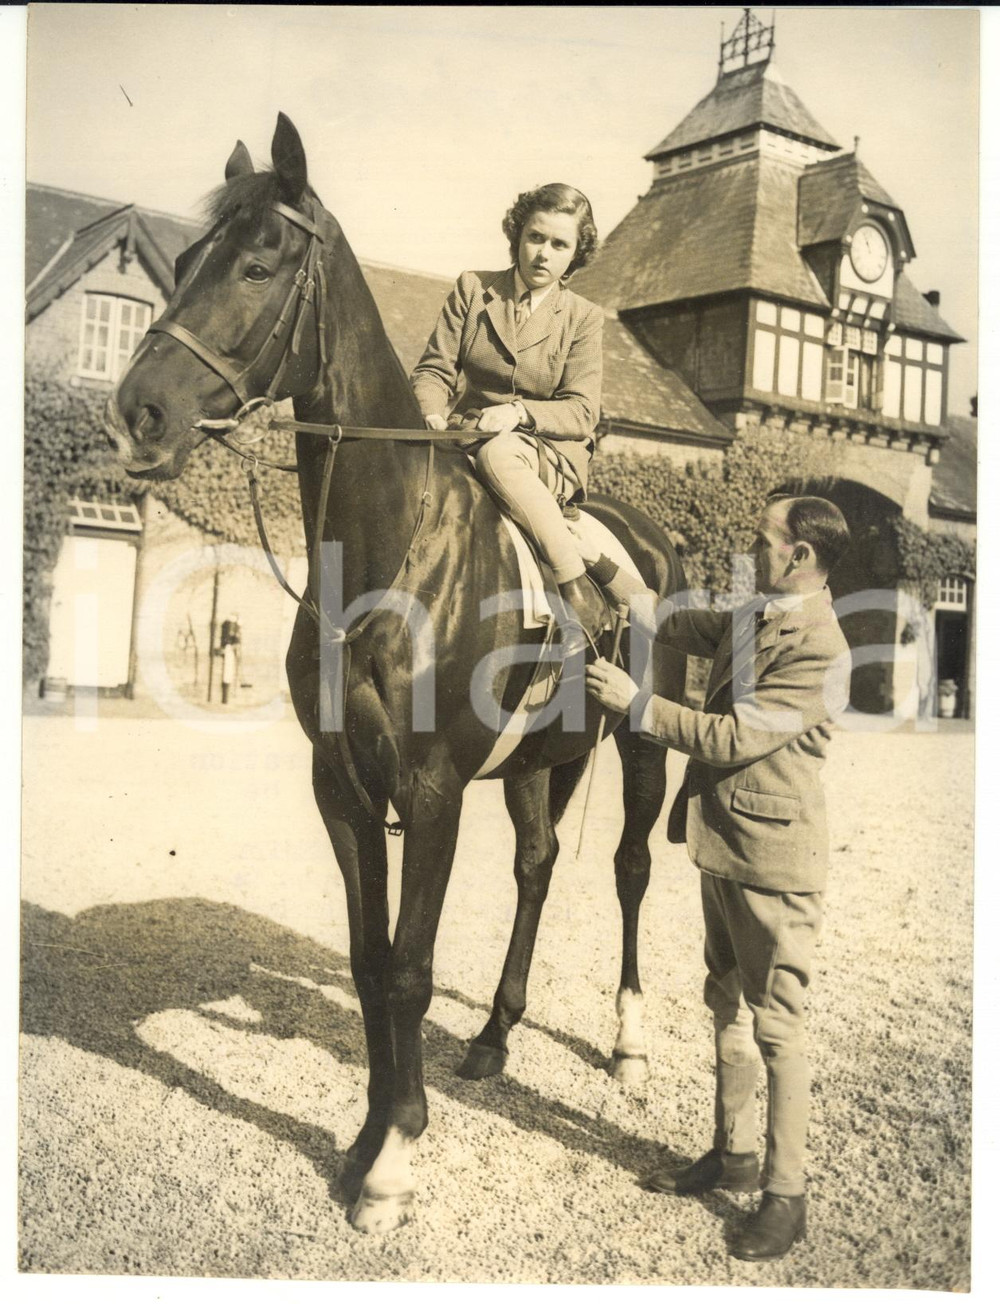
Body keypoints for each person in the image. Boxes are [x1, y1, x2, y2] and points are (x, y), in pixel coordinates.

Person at [584, 495, 852, 1263]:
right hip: (725, 841)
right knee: (726, 1002)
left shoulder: (822, 645)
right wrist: (592, 556)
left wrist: (639, 705)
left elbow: (735, 738)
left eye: (764, 538)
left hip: (774, 860)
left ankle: (786, 1194)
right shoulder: (759, 613)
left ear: (800, 555)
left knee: (777, 1024)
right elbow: (669, 617)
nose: (753, 546)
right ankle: (731, 1155)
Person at [410, 183, 604, 661]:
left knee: (501, 453)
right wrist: (433, 415)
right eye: (536, 237)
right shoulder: (474, 289)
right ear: (518, 235)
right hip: (464, 435)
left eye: (560, 245)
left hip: (546, 452)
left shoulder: (583, 317)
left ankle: (574, 585)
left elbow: (582, 412)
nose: (544, 254)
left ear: (576, 253)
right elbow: (434, 370)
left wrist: (519, 414)